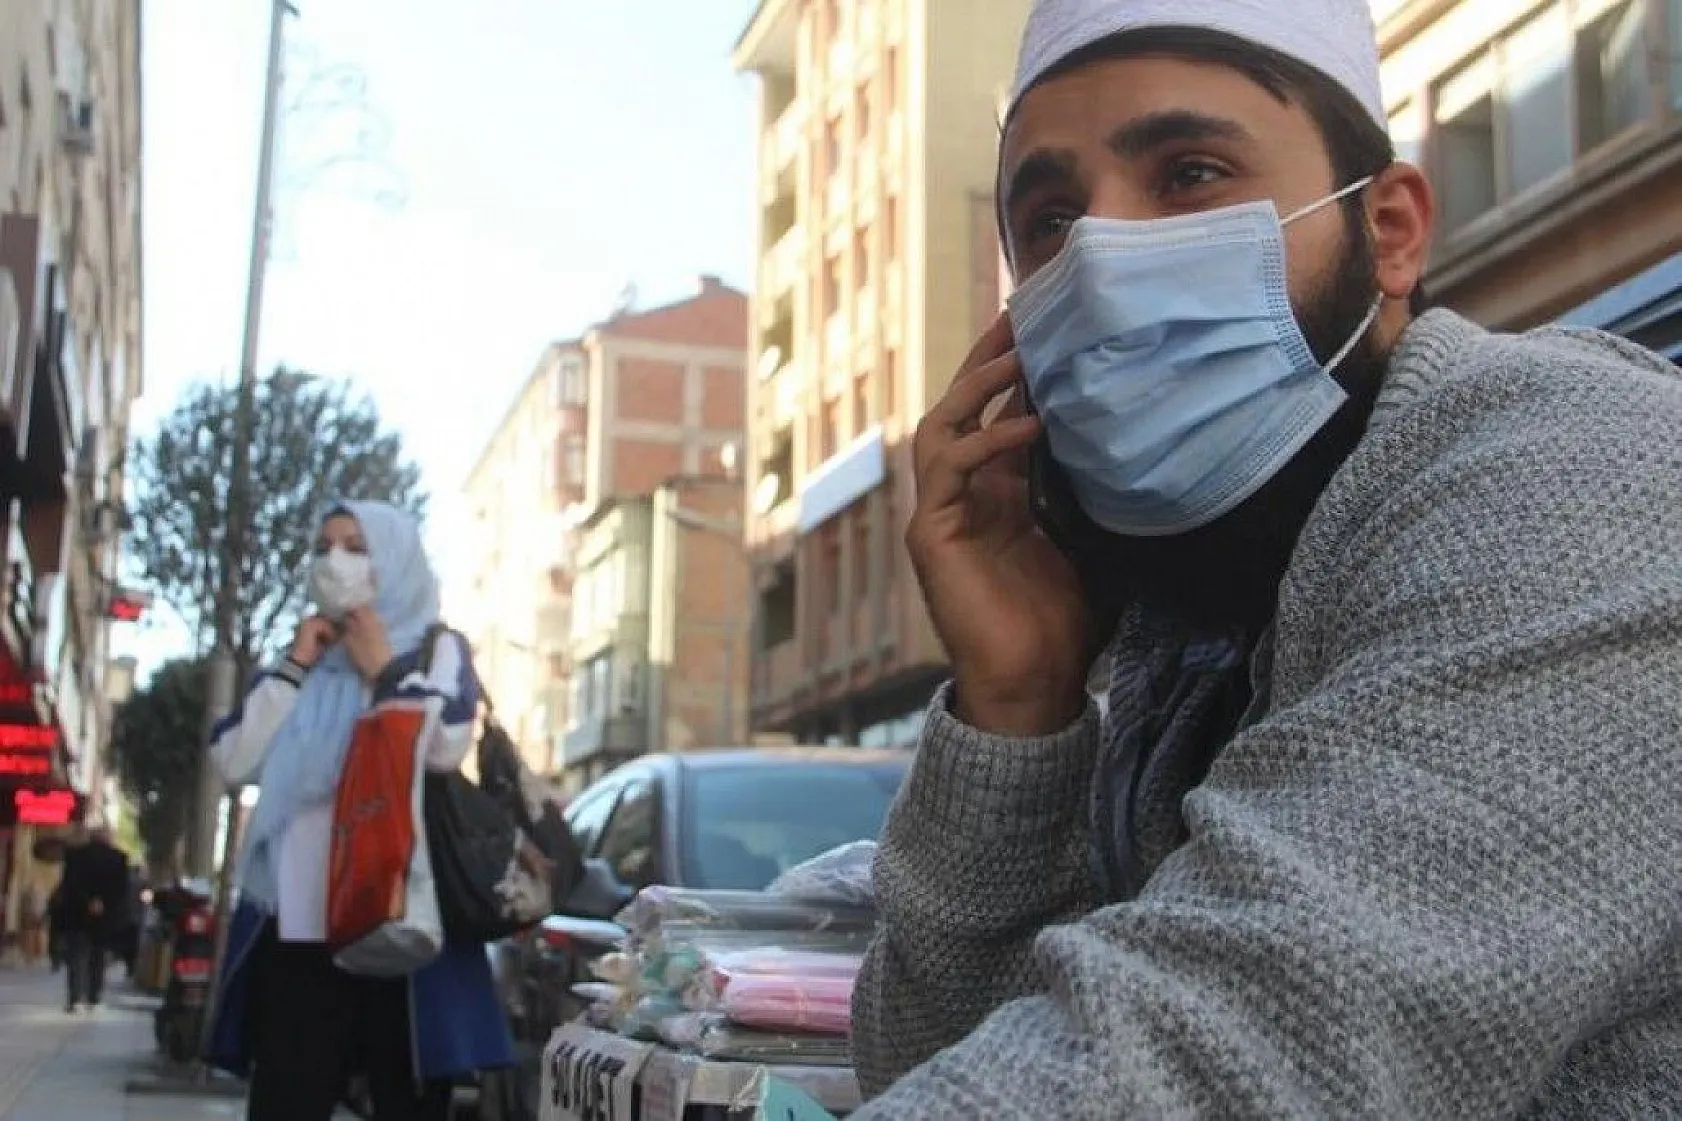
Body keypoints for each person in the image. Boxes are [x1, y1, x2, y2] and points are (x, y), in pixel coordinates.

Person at [849, 0, 1682, 1116]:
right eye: (1047, 220)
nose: (1101, 256)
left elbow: (1236, 1049)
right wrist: (1018, 701)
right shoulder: (1184, 631)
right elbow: (952, 1059)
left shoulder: (1585, 471)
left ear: (1388, 229)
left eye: (1189, 173)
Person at [204, 500, 513, 1121]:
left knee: (407, 1103)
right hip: (299, 933)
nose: (333, 560)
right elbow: (233, 759)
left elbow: (446, 744)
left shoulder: (435, 649)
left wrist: (386, 669)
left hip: (402, 929)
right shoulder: (306, 663)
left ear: (394, 559)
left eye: (354, 545)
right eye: (323, 546)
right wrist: (296, 665)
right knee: (286, 1101)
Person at [57, 824, 129, 1011]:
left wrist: (88, 901)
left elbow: (70, 884)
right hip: (105, 917)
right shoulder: (118, 858)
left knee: (77, 957)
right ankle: (94, 997)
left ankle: (75, 998)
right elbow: (121, 890)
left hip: (77, 914)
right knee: (98, 957)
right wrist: (104, 904)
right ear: (108, 837)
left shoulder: (75, 856)